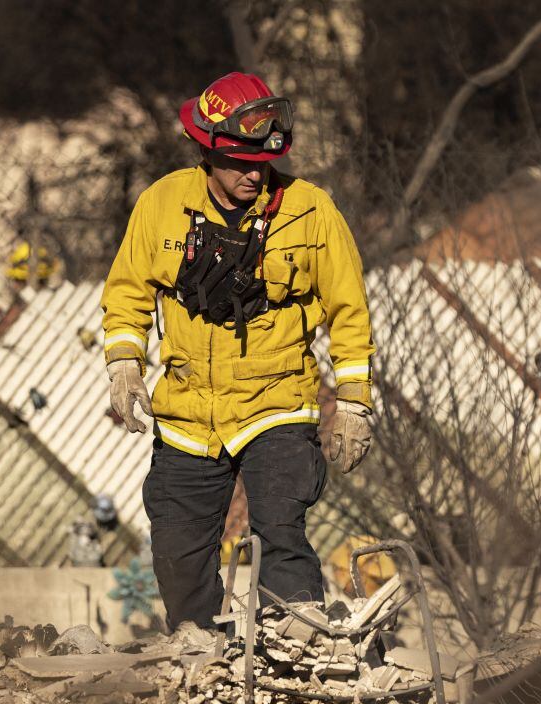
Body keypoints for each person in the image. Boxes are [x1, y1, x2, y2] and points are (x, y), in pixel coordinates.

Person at [101, 72, 374, 629]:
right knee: (177, 558)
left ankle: (294, 649)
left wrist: (354, 402)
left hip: (277, 401)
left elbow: (349, 308)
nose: (254, 173)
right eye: (240, 161)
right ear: (207, 152)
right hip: (187, 412)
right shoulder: (161, 205)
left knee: (281, 531)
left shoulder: (310, 211)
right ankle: (202, 658)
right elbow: (128, 290)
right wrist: (124, 362)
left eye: (263, 162)